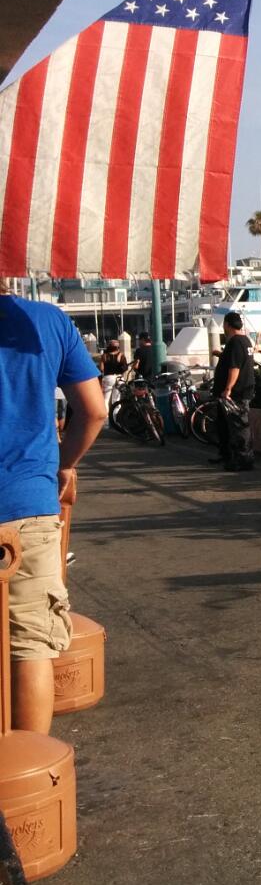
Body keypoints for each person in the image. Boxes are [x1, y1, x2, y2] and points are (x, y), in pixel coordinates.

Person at [0, 285, 105, 734]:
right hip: (28, 505)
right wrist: (63, 465)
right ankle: (28, 765)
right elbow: (94, 411)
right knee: (30, 645)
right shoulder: (47, 321)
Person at [212, 312, 256, 471]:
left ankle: (244, 460)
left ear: (227, 324)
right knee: (229, 426)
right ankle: (229, 456)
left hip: (236, 392)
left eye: (224, 324)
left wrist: (228, 388)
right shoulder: (245, 341)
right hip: (240, 390)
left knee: (239, 427)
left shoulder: (236, 342)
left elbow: (235, 367)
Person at [99, 339, 128, 403]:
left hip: (108, 377)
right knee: (116, 399)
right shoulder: (121, 355)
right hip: (119, 378)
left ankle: (105, 410)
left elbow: (101, 369)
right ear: (117, 347)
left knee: (106, 399)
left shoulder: (104, 356)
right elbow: (125, 367)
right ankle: (116, 410)